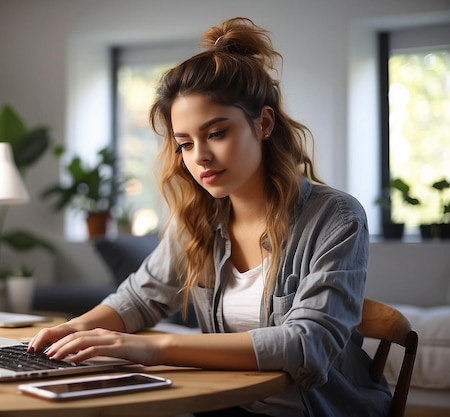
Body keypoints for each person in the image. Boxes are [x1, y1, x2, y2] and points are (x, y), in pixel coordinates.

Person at [29, 17, 391, 417]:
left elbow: (307, 344)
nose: (199, 157)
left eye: (216, 133)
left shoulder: (335, 217)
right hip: (230, 406)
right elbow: (139, 297)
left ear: (264, 123)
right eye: (185, 143)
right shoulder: (198, 217)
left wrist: (157, 347)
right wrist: (74, 329)